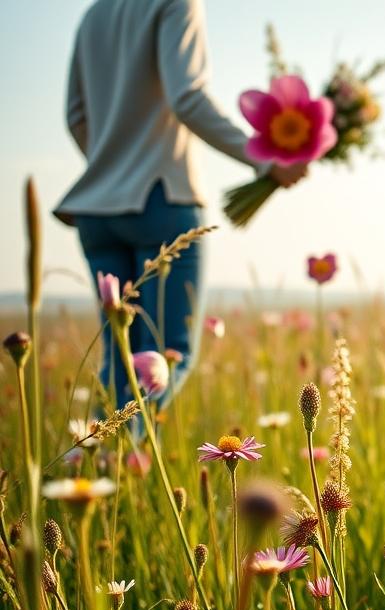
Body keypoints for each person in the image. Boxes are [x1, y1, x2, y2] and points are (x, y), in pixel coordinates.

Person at [55, 0, 307, 409]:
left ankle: (95, 463)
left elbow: (75, 116)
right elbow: (186, 97)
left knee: (119, 360)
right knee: (168, 356)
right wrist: (265, 161)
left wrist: (112, 166)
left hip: (96, 211)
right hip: (161, 198)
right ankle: (118, 458)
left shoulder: (94, 14)